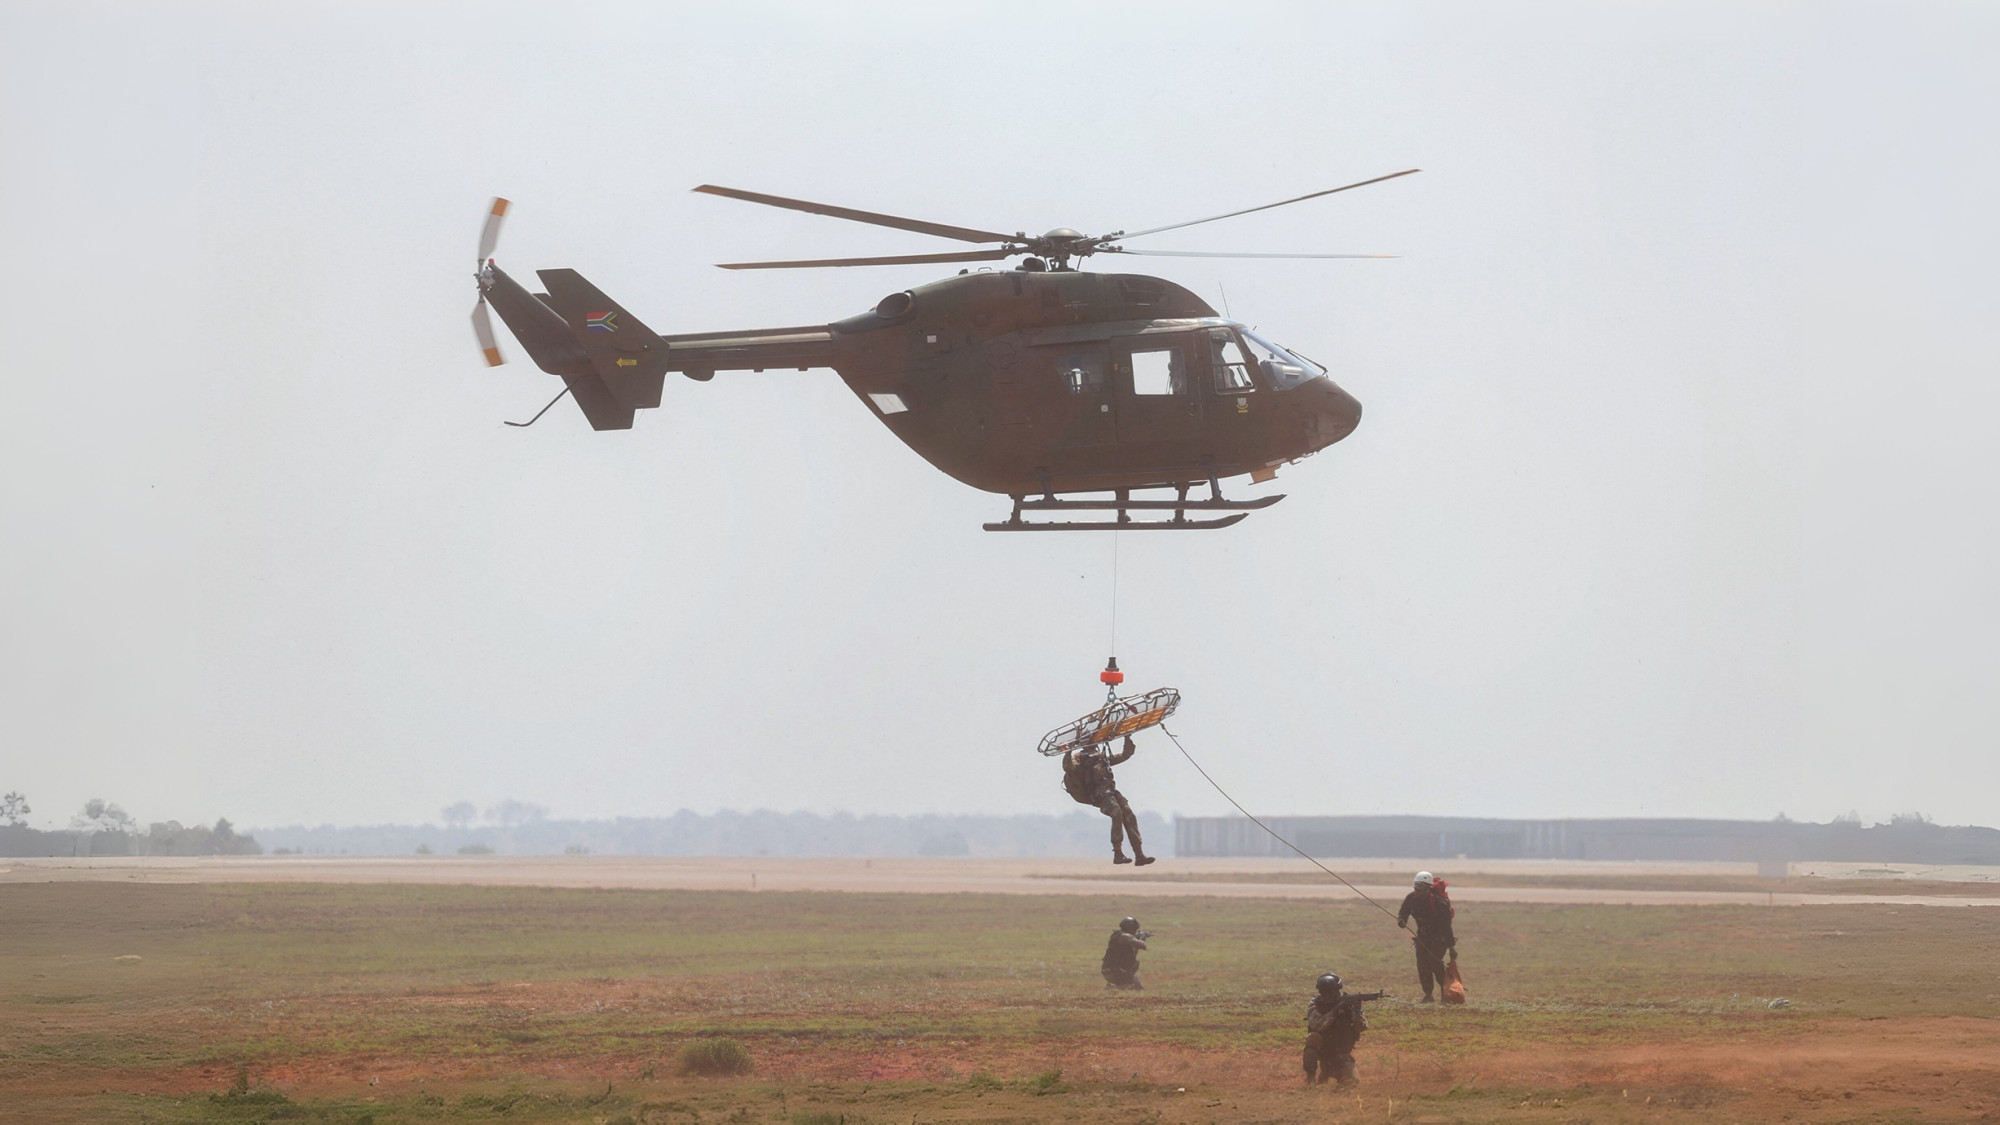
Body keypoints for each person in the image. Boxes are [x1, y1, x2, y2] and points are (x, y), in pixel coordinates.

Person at [1061, 735, 1154, 865]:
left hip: (1111, 792)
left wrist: (1127, 737)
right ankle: (1118, 853)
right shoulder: (1079, 758)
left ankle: (1139, 855)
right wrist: (1068, 752)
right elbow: (1068, 767)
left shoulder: (1101, 757)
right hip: (1099, 795)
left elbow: (1125, 755)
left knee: (1129, 815)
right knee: (1117, 813)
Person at [1397, 870, 1457, 1002]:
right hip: (1423, 937)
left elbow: (1447, 927)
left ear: (1428, 888)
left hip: (1439, 938)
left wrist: (1451, 947)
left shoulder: (1438, 903)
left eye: (1420, 886)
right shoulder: (1411, 898)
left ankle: (1445, 992)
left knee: (1435, 963)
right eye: (1415, 885)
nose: (1416, 889)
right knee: (1422, 965)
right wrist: (1402, 920)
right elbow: (1403, 912)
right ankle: (1428, 994)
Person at [1302, 972, 1370, 1085]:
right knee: (1312, 1038)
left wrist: (1356, 1012)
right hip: (1323, 1051)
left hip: (1342, 1056)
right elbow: (1317, 1025)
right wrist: (1335, 1011)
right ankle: (1310, 1080)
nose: (1329, 995)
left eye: (1332, 992)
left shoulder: (1348, 1005)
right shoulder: (1315, 1004)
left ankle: (1327, 1075)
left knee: (1351, 1083)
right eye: (1325, 993)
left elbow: (1362, 1028)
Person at [1101, 915, 1150, 990]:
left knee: (1139, 988)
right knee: (1131, 988)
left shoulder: (1118, 935)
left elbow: (1131, 954)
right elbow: (1142, 945)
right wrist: (1141, 938)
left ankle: (1117, 987)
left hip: (1113, 970)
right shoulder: (1124, 936)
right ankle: (1112, 988)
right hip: (1115, 971)